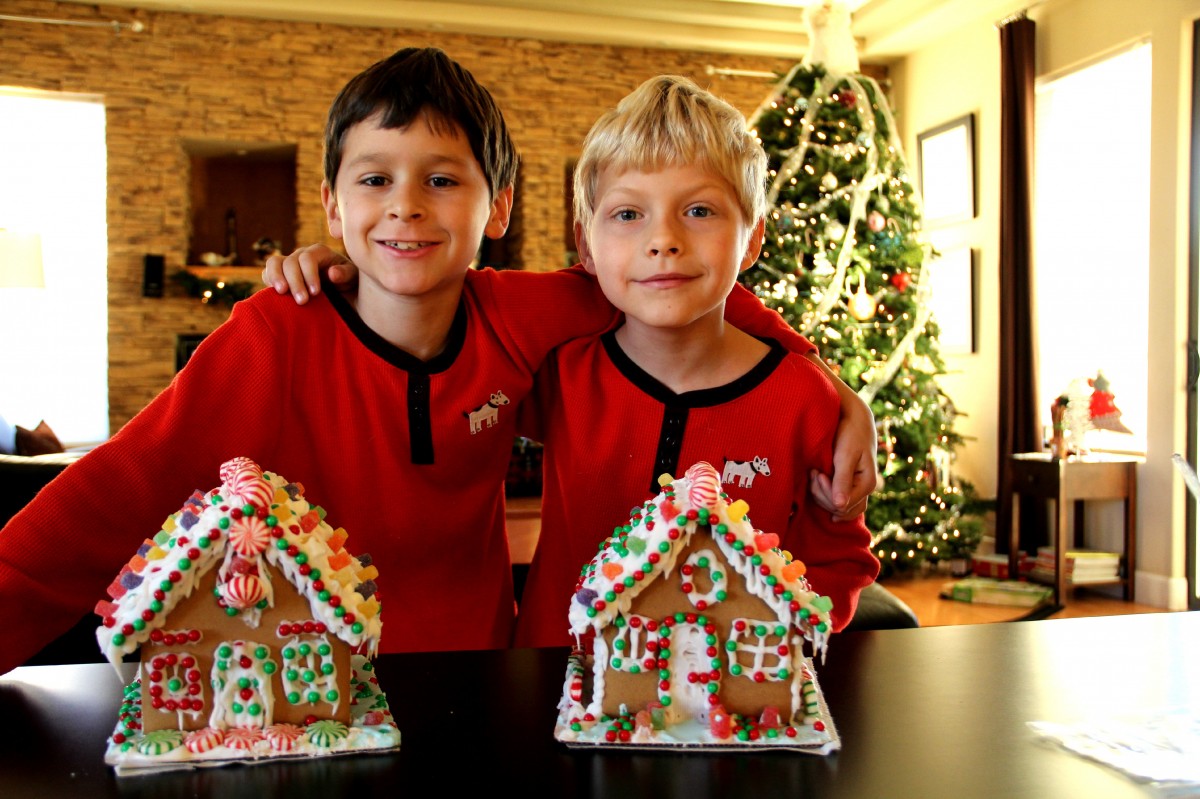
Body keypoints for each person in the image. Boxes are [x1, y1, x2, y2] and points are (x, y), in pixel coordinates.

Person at [0, 48, 870, 675]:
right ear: (332, 209)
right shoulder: (277, 333)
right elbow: (110, 495)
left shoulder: (525, 318)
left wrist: (822, 385)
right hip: (316, 692)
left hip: (491, 681)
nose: (406, 207)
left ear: (499, 208)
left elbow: (667, 292)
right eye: (374, 180)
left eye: (443, 180)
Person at [509, 75, 879, 647]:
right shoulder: (556, 372)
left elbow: (836, 562)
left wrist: (785, 648)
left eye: (700, 210)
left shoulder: (806, 400)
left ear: (751, 239)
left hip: (734, 707)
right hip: (558, 680)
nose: (664, 239)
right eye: (628, 214)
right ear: (587, 246)